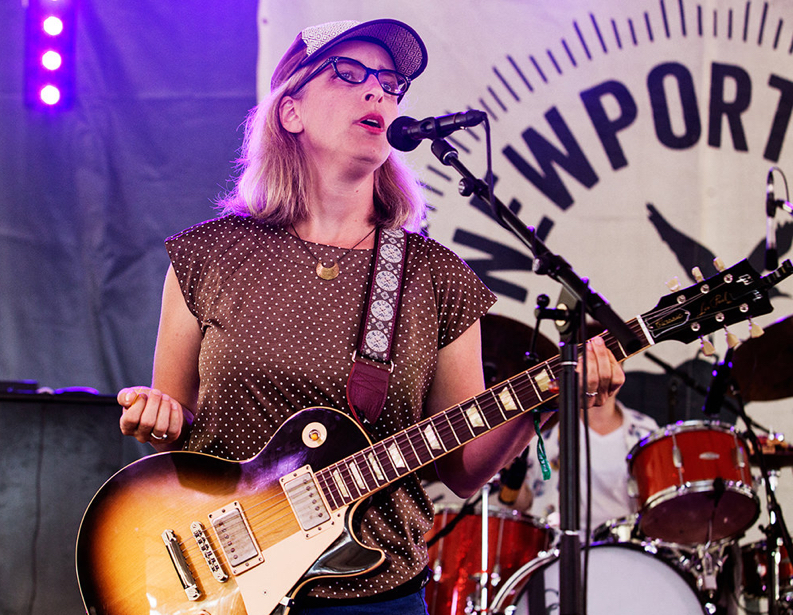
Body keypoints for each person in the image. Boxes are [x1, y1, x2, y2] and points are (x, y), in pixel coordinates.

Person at [115, 18, 624, 614]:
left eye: (389, 82)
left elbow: (464, 472)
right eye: (349, 75)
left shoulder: (435, 277)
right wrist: (158, 413)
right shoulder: (209, 255)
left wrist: (548, 397)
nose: (377, 92)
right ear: (291, 113)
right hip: (219, 585)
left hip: (374, 593)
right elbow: (170, 430)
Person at [510, 384, 658, 538]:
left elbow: (657, 508)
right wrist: (508, 474)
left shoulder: (645, 431)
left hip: (626, 548)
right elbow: (523, 503)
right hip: (557, 549)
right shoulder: (547, 429)